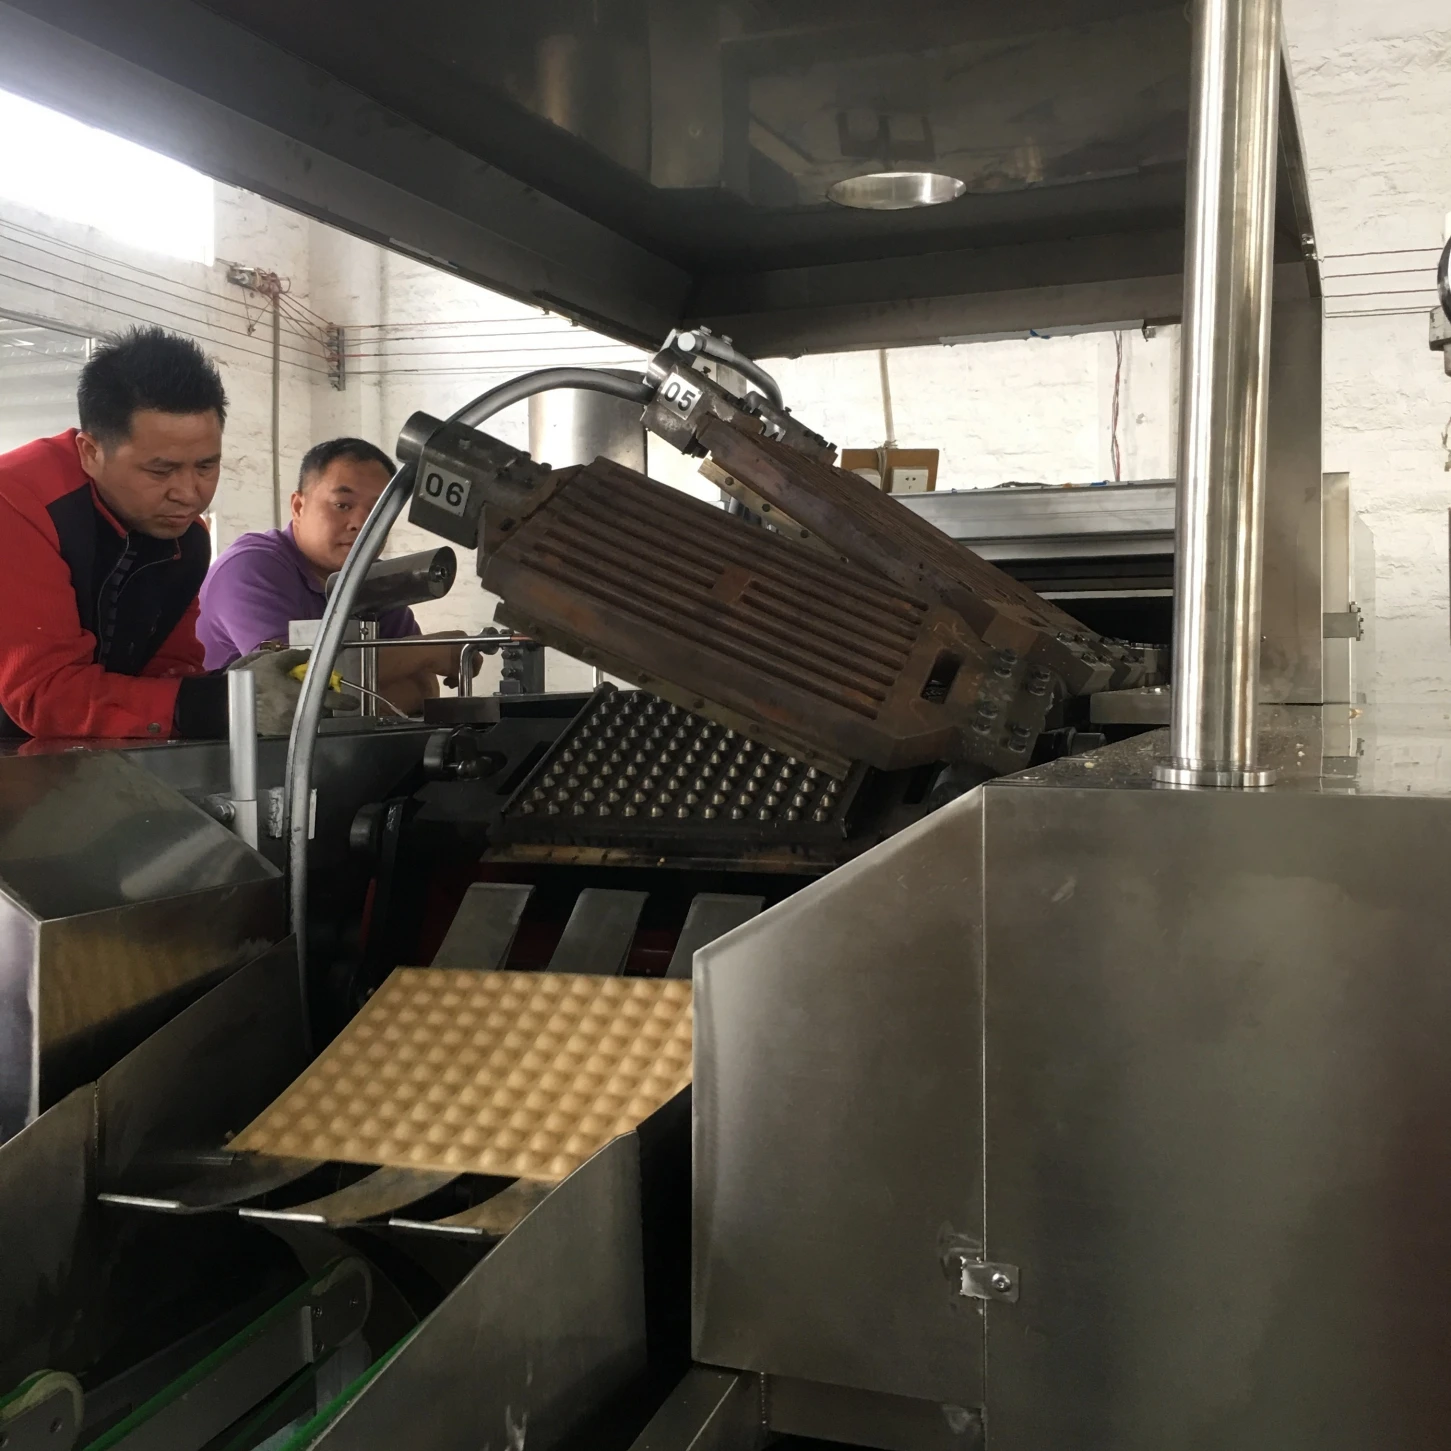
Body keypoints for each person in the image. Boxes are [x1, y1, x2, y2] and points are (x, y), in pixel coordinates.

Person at [0, 326, 317, 739]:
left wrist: (224, 687)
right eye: (161, 470)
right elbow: (45, 694)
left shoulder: (187, 539)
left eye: (206, 466)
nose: (188, 494)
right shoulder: (18, 505)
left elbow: (169, 671)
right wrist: (213, 705)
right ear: (90, 452)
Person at [198, 438, 465, 715]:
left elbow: (424, 689)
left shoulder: (375, 580)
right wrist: (425, 652)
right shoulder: (250, 568)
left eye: (379, 511)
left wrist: (343, 696)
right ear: (298, 507)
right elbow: (292, 683)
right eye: (342, 505)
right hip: (229, 741)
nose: (361, 524)